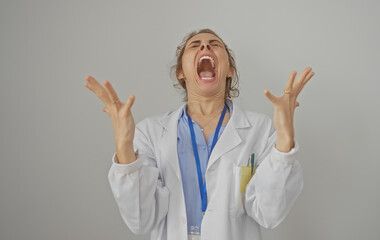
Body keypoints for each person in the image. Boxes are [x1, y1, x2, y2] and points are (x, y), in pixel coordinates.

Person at [85, 29, 314, 240]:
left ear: (230, 70)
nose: (205, 47)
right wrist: (124, 148)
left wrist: (284, 143)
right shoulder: (151, 132)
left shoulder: (261, 129)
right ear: (181, 73)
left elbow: (269, 214)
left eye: (214, 44)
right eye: (195, 45)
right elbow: (141, 219)